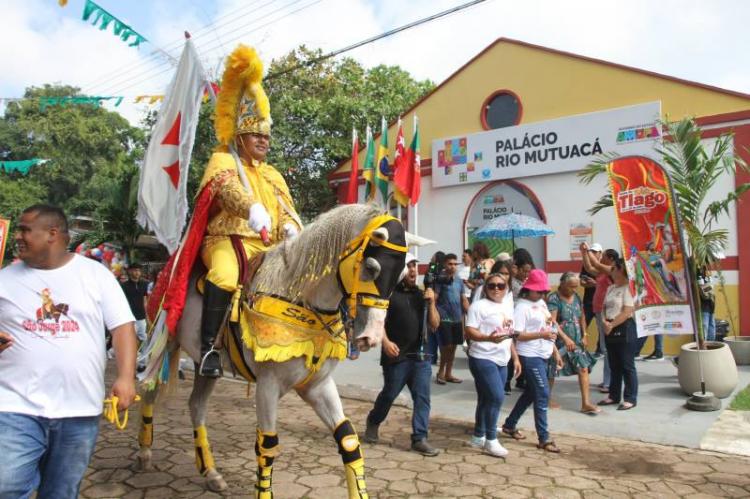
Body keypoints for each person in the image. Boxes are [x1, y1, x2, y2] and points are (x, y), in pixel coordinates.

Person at [148, 45, 303, 379]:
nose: (263, 141)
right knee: (224, 277)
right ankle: (208, 349)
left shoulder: (273, 173)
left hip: (267, 246)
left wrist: (290, 225)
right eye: (255, 135)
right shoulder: (223, 159)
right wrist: (251, 208)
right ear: (240, 136)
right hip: (225, 239)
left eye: (266, 136)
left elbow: (288, 207)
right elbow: (226, 190)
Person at [0, 204, 137, 498]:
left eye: (25, 230)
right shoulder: (5, 279)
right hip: (14, 407)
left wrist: (126, 377)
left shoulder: (96, 275)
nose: (18, 236)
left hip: (79, 410)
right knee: (6, 486)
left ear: (52, 234)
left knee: (61, 492)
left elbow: (123, 327)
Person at [364, 254, 441, 456]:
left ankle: (419, 438)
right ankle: (373, 420)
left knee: (423, 398)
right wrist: (386, 342)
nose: (413, 270)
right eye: (409, 266)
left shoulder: (423, 295)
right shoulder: (388, 295)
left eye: (415, 266)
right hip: (396, 356)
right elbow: (378, 321)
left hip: (420, 357)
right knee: (389, 394)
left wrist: (432, 303)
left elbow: (434, 324)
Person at [501, 269, 563, 453]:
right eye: (539, 291)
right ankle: (544, 437)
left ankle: (510, 424)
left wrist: (555, 352)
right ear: (529, 289)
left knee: (531, 393)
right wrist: (541, 334)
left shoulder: (542, 304)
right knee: (542, 393)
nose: (542, 294)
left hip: (543, 354)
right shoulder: (521, 307)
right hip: (529, 356)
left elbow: (549, 328)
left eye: (544, 291)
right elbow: (517, 334)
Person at [465, 272, 521, 457]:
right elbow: (470, 331)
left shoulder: (508, 306)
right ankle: (491, 440)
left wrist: (515, 357)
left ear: (507, 288)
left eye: (501, 285)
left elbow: (509, 334)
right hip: (482, 357)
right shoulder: (478, 306)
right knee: (496, 396)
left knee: (486, 398)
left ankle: (478, 435)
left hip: (502, 359)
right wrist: (488, 338)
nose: (496, 289)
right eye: (492, 285)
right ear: (485, 288)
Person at [547, 272, 599, 415]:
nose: (574, 290)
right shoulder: (553, 298)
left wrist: (585, 334)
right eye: (571, 287)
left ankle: (585, 403)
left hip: (576, 340)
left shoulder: (576, 297)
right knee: (552, 370)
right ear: (562, 284)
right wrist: (565, 338)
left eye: (576, 287)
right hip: (559, 341)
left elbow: (581, 315)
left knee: (583, 367)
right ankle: (546, 398)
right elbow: (552, 322)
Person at [597, 258, 638, 411]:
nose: (611, 270)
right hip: (609, 328)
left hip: (624, 328)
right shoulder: (611, 288)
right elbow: (603, 307)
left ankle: (630, 398)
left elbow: (627, 311)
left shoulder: (628, 288)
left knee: (627, 365)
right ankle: (614, 395)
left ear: (621, 269)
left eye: (614, 268)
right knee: (614, 365)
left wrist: (612, 324)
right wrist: (604, 322)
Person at [581, 243, 619, 393]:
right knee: (605, 348)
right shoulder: (603, 272)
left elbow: (595, 263)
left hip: (608, 313)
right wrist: (584, 253)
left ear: (610, 258)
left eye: (603, 256)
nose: (600, 258)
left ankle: (609, 383)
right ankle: (607, 381)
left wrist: (588, 249)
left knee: (608, 349)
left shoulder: (613, 270)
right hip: (599, 311)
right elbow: (590, 268)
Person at [434, 253, 469, 384]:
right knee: (446, 346)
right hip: (444, 317)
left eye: (455, 264)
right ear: (444, 264)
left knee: (453, 347)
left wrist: (471, 313)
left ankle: (449, 373)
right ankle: (440, 372)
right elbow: (435, 297)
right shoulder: (440, 279)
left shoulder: (459, 280)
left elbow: (463, 298)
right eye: (450, 264)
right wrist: (433, 313)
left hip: (457, 318)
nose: (453, 266)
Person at [580, 243, 601, 355]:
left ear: (600, 253)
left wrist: (595, 284)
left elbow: (605, 284)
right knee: (583, 325)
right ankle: (580, 347)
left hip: (601, 303)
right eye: (591, 251)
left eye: (594, 252)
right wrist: (593, 285)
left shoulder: (604, 266)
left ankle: (600, 349)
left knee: (601, 328)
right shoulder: (586, 265)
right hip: (588, 302)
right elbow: (582, 281)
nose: (592, 253)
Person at [121, 262, 148, 346]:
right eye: (135, 270)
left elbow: (145, 300)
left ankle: (144, 357)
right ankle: (112, 352)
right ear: (130, 271)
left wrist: (146, 315)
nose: (137, 272)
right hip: (130, 318)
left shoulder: (144, 284)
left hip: (141, 317)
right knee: (129, 339)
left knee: (144, 338)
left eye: (139, 270)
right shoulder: (124, 286)